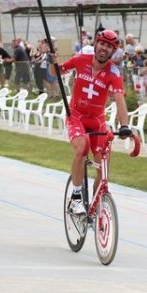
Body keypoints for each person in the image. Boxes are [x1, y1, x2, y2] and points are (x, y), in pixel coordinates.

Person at [53, 29, 130, 216]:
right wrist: (53, 63)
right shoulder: (81, 59)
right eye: (102, 44)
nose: (104, 49)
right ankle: (76, 197)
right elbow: (57, 72)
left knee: (103, 165)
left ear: (113, 52)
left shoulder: (113, 72)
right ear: (96, 44)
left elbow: (119, 98)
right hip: (76, 116)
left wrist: (124, 126)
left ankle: (96, 204)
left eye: (109, 47)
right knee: (81, 147)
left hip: (97, 120)